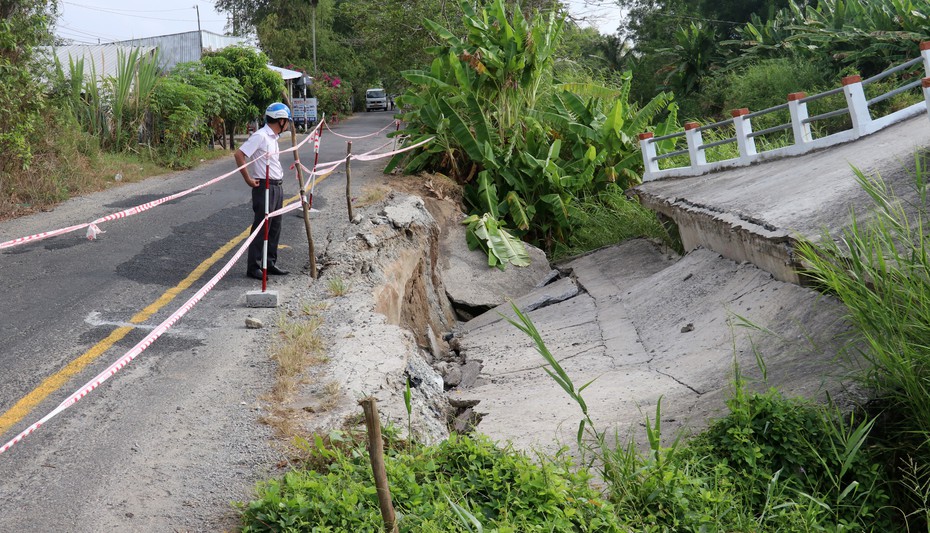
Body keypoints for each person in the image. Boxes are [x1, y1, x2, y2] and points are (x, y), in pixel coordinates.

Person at [235, 102, 292, 280]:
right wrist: (248, 179)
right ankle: (254, 266)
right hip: (264, 186)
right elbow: (239, 154)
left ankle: (270, 262)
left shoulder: (273, 137)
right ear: (280, 120)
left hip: (277, 186)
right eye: (287, 121)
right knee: (262, 227)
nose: (289, 124)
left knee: (275, 226)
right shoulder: (260, 136)